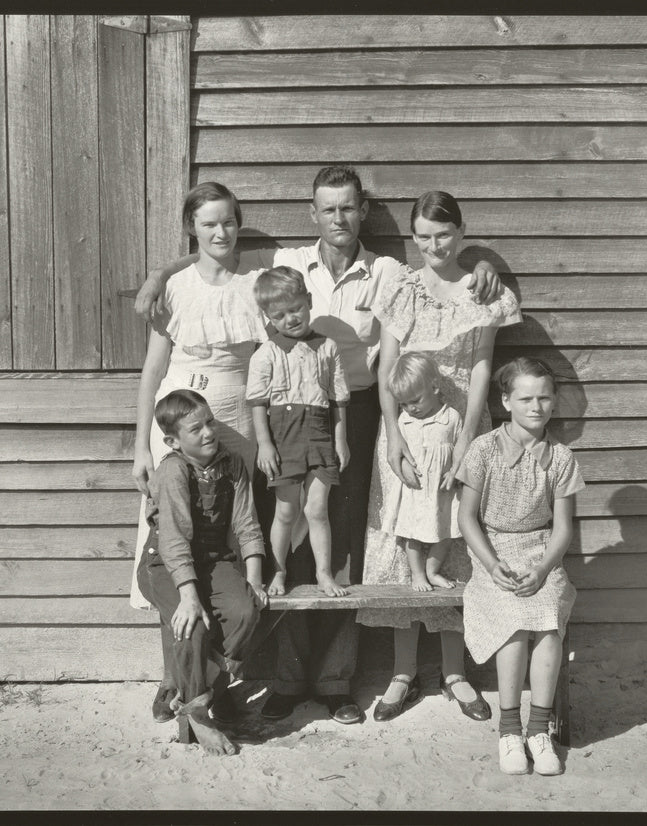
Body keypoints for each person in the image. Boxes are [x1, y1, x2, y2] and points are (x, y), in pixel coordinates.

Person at [135, 166, 502, 725]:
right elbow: (214, 257)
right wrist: (162, 271)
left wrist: (484, 266)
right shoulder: (286, 262)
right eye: (328, 209)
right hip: (281, 422)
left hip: (350, 416)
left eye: (349, 208)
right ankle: (284, 679)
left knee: (344, 544)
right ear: (312, 213)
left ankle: (334, 682)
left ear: (362, 212)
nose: (339, 218)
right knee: (285, 534)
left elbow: (443, 271)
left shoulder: (386, 271)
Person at [358, 191, 523, 724]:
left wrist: (469, 440)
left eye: (444, 235)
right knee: (405, 538)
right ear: (412, 238)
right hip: (406, 432)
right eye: (423, 237)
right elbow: (386, 370)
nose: (434, 246)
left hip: (461, 431)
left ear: (461, 232)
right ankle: (403, 671)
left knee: (454, 542)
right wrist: (394, 437)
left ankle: (456, 673)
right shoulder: (402, 289)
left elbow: (480, 368)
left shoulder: (480, 290)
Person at [129, 182, 268, 725]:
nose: (220, 232)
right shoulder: (177, 288)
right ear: (193, 226)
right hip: (183, 414)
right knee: (175, 548)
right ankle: (176, 680)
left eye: (229, 222)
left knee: (226, 546)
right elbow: (153, 371)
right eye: (208, 223)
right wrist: (141, 442)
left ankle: (211, 680)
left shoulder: (255, 282)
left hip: (235, 416)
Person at [456, 357, 584, 776]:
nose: (536, 407)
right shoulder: (484, 450)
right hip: (492, 552)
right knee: (513, 620)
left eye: (545, 397)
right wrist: (491, 564)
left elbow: (563, 529)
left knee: (547, 619)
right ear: (505, 400)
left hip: (541, 553)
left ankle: (538, 729)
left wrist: (545, 569)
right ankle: (509, 730)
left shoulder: (561, 458)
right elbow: (467, 518)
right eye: (526, 398)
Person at [143, 390, 269, 756]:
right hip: (166, 564)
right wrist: (188, 595)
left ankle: (195, 694)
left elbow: (247, 523)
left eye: (210, 422)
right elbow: (174, 538)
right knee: (191, 626)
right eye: (195, 429)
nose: (208, 432)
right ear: (173, 441)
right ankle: (199, 713)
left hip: (213, 559)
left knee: (246, 611)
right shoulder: (173, 471)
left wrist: (255, 580)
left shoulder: (232, 465)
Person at [246, 267, 351, 598]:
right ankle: (278, 572)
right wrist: (264, 444)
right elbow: (258, 404)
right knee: (287, 511)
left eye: (295, 309)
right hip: (284, 436)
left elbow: (337, 400)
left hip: (320, 434)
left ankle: (323, 573)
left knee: (317, 509)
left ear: (308, 301)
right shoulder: (266, 353)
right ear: (268, 317)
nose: (290, 319)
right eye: (279, 315)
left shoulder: (328, 347)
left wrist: (341, 440)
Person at [382, 353, 462, 592]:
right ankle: (417, 574)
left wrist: (454, 473)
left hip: (442, 489)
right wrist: (406, 469)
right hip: (415, 490)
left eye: (415, 400)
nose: (410, 408)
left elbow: (461, 449)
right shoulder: (404, 421)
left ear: (435, 387)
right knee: (411, 535)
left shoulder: (451, 418)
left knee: (445, 531)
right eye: (404, 404)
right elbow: (399, 454)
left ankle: (432, 571)